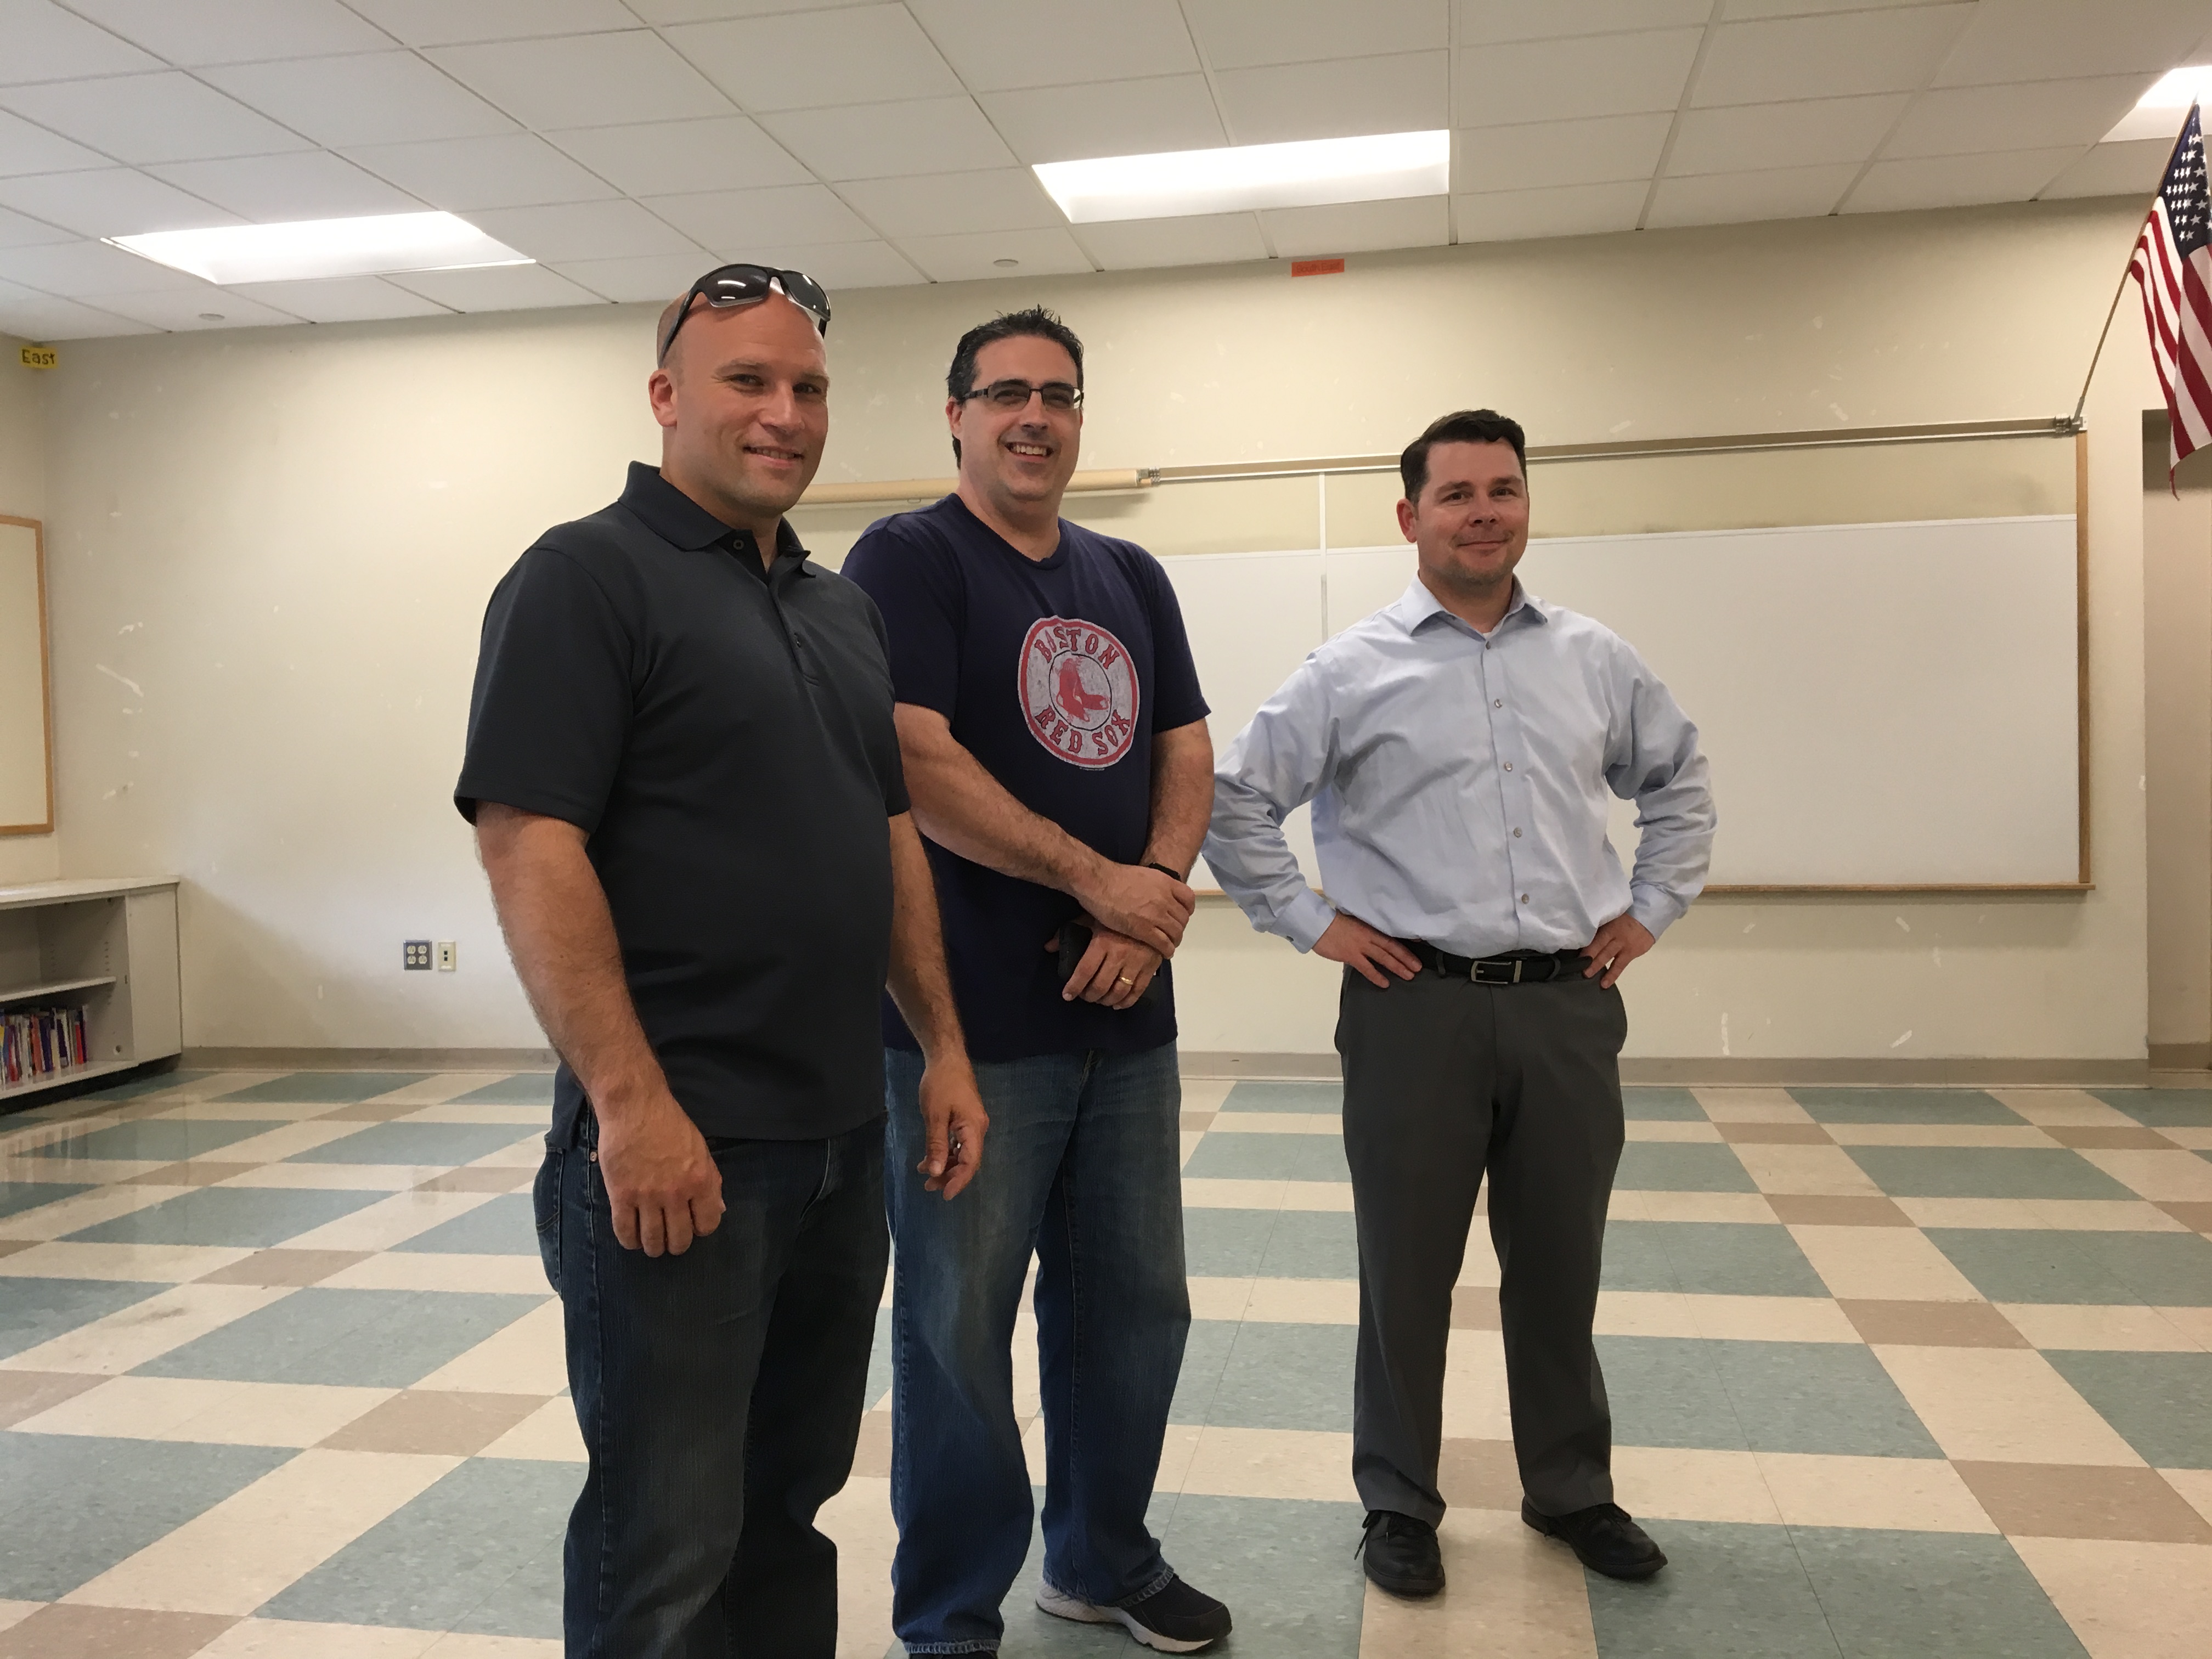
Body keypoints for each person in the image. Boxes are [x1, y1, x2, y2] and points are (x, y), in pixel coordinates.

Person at [456, 263, 988, 1658]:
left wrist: (938, 1048)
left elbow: (887, 843)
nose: (784, 412)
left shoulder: (837, 607)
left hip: (832, 1142)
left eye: (807, 387)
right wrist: (631, 1108)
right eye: (748, 380)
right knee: (664, 1540)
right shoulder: (584, 578)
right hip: (679, 1153)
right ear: (667, 396)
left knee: (784, 1512)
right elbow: (528, 844)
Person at [1204, 408, 1716, 1599]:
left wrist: (1653, 904)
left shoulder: (1596, 659)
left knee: (1560, 1264)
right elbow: (1237, 803)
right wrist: (1312, 920)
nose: (1484, 510)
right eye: (1457, 494)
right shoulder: (1349, 670)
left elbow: (1679, 779)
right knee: (1407, 1270)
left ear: (1526, 504)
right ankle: (1398, 1502)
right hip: (1413, 1010)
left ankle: (1571, 1490)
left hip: (1567, 1008)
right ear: (1410, 518)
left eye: (1503, 489)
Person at [840, 307, 1231, 1656]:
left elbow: (1186, 750)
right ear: (954, 415)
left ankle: (1102, 1560)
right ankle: (950, 1616)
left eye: (1059, 395)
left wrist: (1150, 903)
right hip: (967, 1028)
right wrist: (1092, 879)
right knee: (957, 1334)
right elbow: (918, 763)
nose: (1034, 417)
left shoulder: (1129, 573)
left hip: (1127, 1019)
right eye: (1004, 393)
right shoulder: (906, 559)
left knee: (1134, 1313)